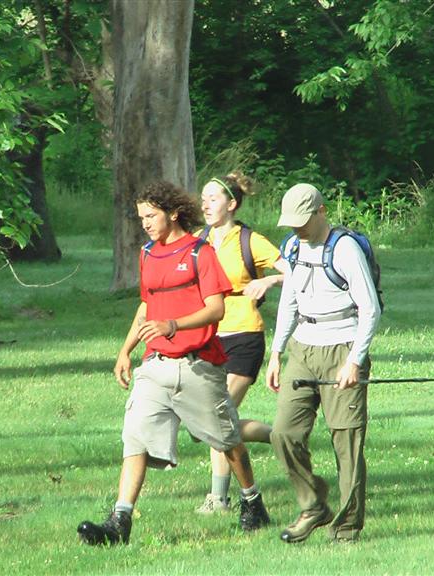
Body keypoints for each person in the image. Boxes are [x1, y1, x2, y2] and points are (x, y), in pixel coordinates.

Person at [77, 180, 270, 546]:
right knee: (134, 437)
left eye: (151, 216)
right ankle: (120, 521)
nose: (145, 223)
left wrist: (174, 325)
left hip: (198, 366)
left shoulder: (201, 253)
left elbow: (216, 308)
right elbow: (146, 306)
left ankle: (252, 501)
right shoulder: (148, 253)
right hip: (155, 365)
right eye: (141, 217)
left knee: (227, 439)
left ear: (173, 213)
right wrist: (126, 349)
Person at [265, 183, 381, 544]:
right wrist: (276, 352)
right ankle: (313, 503)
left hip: (342, 348)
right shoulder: (293, 247)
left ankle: (346, 529)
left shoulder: (344, 248)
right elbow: (289, 302)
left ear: (321, 211)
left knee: (346, 442)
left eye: (303, 220)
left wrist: (354, 361)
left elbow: (370, 309)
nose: (297, 228)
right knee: (283, 433)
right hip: (302, 347)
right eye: (292, 223)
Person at [194, 173, 289, 514]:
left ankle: (218, 498)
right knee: (212, 420)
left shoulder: (251, 240)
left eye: (213, 198)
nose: (205, 204)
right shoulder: (197, 241)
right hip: (207, 338)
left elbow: (297, 271)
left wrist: (270, 281)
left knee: (217, 417)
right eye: (203, 198)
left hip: (244, 337)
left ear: (231, 204)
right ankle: (279, 435)